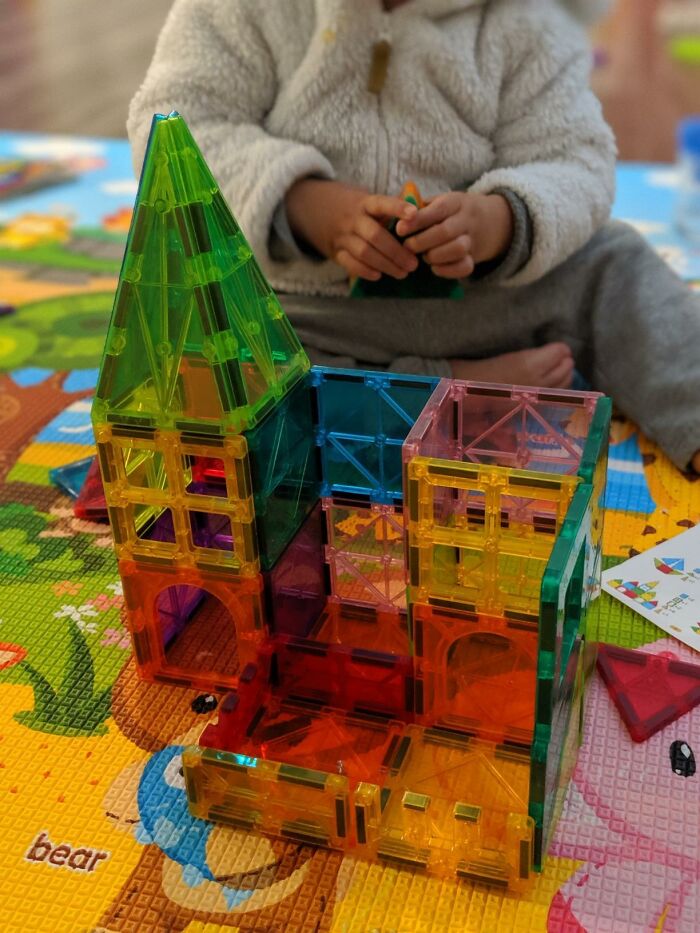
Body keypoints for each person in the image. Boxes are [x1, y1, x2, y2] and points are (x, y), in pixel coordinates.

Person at [127, 0, 700, 475]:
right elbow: (173, 123)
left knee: (615, 260)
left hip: (487, 302)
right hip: (303, 309)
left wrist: (498, 220)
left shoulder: (525, 21)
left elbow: (573, 158)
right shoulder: (238, 9)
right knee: (190, 349)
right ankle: (451, 394)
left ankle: (422, 402)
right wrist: (304, 205)